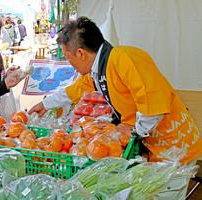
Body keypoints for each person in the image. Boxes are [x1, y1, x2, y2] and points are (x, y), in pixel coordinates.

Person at [28, 17, 202, 199]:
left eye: (68, 57)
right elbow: (76, 89)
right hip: (155, 146)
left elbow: (154, 106)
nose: (70, 64)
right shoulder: (99, 68)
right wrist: (45, 104)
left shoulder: (124, 57)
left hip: (174, 146)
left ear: (80, 53)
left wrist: (132, 132)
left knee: (167, 194)